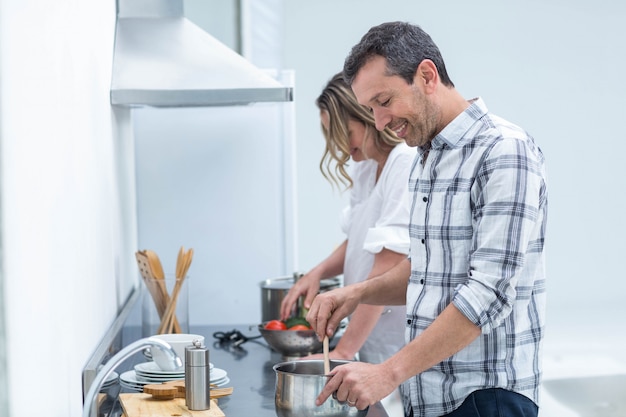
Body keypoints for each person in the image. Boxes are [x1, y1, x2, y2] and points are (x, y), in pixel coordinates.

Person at [305, 22, 548, 417]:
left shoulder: (504, 151)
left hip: (486, 399)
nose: (380, 122)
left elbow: (488, 294)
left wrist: (387, 373)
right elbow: (425, 271)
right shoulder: (426, 159)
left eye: (384, 101)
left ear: (427, 75)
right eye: (370, 110)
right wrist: (356, 294)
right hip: (431, 397)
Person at [280, 72, 416, 416]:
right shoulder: (367, 167)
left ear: (367, 118)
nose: (339, 145)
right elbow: (358, 237)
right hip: (366, 338)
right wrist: (317, 272)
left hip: (393, 341)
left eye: (343, 133)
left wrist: (344, 350)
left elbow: (386, 265)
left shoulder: (403, 163)